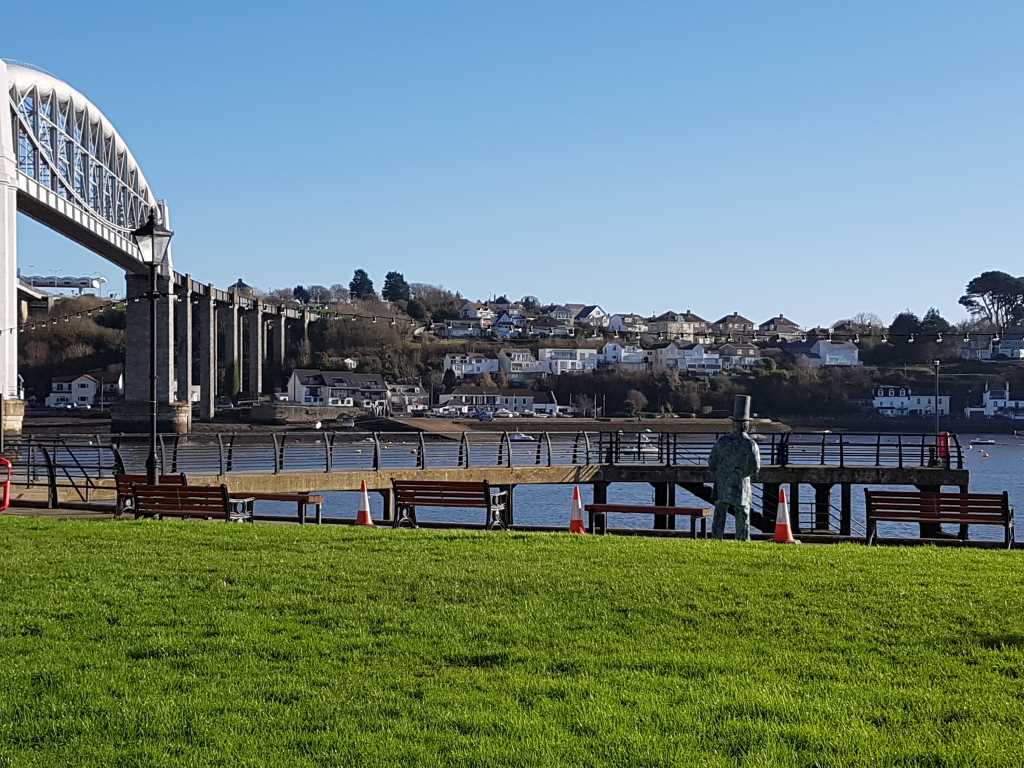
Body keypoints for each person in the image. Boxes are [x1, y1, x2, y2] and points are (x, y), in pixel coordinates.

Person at [708, 395, 761, 541]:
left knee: (720, 512)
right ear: (747, 424)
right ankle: (742, 540)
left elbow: (711, 462)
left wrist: (722, 473)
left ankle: (716, 539)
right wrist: (741, 473)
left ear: (733, 424)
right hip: (741, 483)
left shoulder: (722, 441)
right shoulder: (750, 445)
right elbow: (755, 468)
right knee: (742, 513)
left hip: (722, 482)